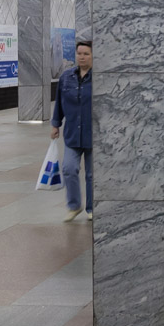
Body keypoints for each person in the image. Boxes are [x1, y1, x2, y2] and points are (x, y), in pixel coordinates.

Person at [51, 41, 93, 222]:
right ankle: (74, 205)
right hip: (72, 133)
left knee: (92, 174)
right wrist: (55, 124)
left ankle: (92, 208)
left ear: (92, 56)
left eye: (86, 54)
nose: (82, 57)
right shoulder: (66, 77)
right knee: (69, 168)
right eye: (79, 53)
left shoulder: (98, 78)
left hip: (93, 134)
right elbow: (59, 103)